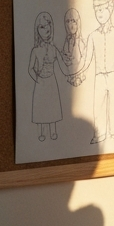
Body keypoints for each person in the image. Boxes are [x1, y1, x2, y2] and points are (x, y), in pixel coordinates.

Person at [79, 0, 114, 145]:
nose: (98, 13)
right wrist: (80, 72)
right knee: (98, 106)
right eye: (96, 10)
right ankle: (99, 134)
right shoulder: (92, 36)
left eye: (101, 8)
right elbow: (87, 59)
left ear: (110, 8)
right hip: (99, 76)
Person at [28, 11, 67, 141]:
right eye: (42, 27)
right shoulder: (35, 50)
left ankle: (53, 131)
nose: (46, 29)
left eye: (48, 25)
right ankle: (41, 132)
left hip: (52, 81)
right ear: (37, 30)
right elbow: (30, 69)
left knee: (52, 105)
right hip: (41, 83)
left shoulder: (53, 49)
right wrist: (38, 80)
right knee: (41, 106)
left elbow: (63, 65)